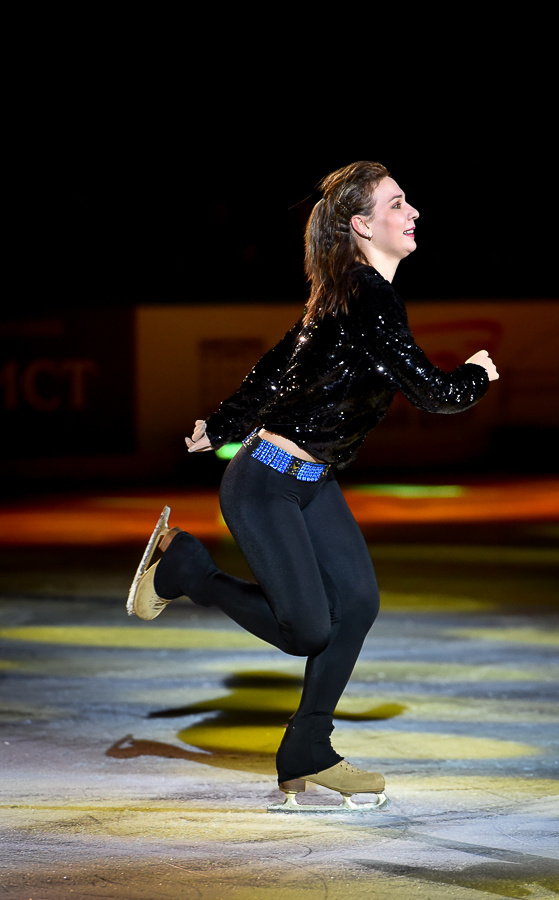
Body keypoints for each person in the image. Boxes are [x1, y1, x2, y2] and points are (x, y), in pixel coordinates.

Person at [127, 160, 498, 812]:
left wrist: (220, 423)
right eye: (395, 204)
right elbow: (433, 394)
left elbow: (279, 367)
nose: (411, 214)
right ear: (360, 224)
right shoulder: (366, 299)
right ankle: (186, 569)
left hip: (311, 482)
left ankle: (308, 748)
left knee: (354, 604)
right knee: (306, 631)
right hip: (264, 484)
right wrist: (473, 374)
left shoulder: (345, 296)